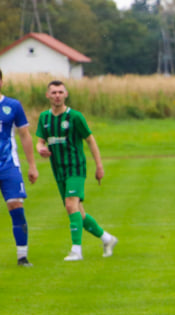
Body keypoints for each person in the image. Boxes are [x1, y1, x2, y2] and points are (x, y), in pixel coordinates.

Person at [36, 80, 117, 261]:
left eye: (60, 92)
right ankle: (107, 239)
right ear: (48, 95)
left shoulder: (75, 117)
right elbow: (40, 140)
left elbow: (90, 140)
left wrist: (99, 166)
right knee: (78, 212)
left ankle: (76, 250)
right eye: (54, 92)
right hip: (58, 170)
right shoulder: (44, 118)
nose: (57, 95)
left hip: (76, 168)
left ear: (66, 94)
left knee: (70, 204)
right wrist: (39, 149)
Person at [0, 69, 39, 266]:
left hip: (8, 166)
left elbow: (24, 135)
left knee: (16, 207)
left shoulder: (12, 105)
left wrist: (32, 165)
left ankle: (22, 256)